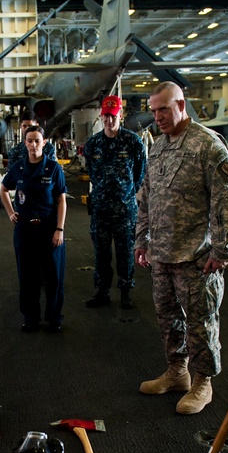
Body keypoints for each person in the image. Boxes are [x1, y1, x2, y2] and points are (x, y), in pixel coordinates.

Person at [135, 82, 228, 415]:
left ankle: (202, 381)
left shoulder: (207, 145)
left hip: (195, 255)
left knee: (200, 321)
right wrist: (142, 239)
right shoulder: (159, 147)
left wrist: (221, 250)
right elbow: (146, 198)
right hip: (161, 253)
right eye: (153, 110)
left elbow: (225, 201)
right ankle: (177, 372)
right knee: (168, 319)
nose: (157, 117)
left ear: (181, 105)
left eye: (163, 109)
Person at [0, 124, 68, 333]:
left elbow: (61, 200)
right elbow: (3, 189)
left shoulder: (53, 168)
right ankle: (30, 317)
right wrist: (11, 212)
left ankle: (54, 317)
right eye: (29, 140)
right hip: (25, 230)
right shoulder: (19, 168)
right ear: (25, 142)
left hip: (48, 228)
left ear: (44, 142)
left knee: (53, 275)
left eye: (37, 140)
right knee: (27, 275)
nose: (33, 145)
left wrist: (60, 229)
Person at [84, 95, 147, 310]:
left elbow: (140, 174)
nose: (109, 121)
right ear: (101, 116)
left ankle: (126, 291)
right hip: (100, 209)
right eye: (106, 117)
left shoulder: (133, 142)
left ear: (120, 115)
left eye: (113, 116)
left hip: (125, 210)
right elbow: (92, 172)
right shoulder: (93, 144)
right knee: (101, 253)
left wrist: (126, 192)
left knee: (126, 252)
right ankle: (102, 291)